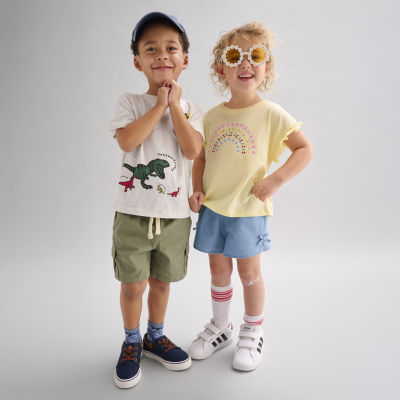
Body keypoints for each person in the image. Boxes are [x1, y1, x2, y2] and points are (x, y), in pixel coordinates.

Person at [187, 22, 313, 371]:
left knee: (249, 273)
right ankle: (221, 326)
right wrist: (197, 189)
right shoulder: (211, 116)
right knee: (218, 269)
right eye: (234, 56)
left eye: (255, 55)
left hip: (248, 210)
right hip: (214, 208)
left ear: (267, 66)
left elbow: (304, 149)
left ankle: (253, 329)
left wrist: (276, 180)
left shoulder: (272, 114)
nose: (245, 63)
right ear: (220, 69)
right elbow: (201, 158)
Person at [109, 12, 203, 388]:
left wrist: (175, 107)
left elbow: (193, 149)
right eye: (151, 49)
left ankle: (155, 336)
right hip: (133, 213)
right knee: (133, 285)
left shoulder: (192, 108)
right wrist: (159, 106)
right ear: (138, 62)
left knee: (162, 282)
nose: (162, 55)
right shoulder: (130, 102)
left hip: (174, 216)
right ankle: (132, 341)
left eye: (170, 48)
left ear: (184, 60)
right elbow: (128, 141)